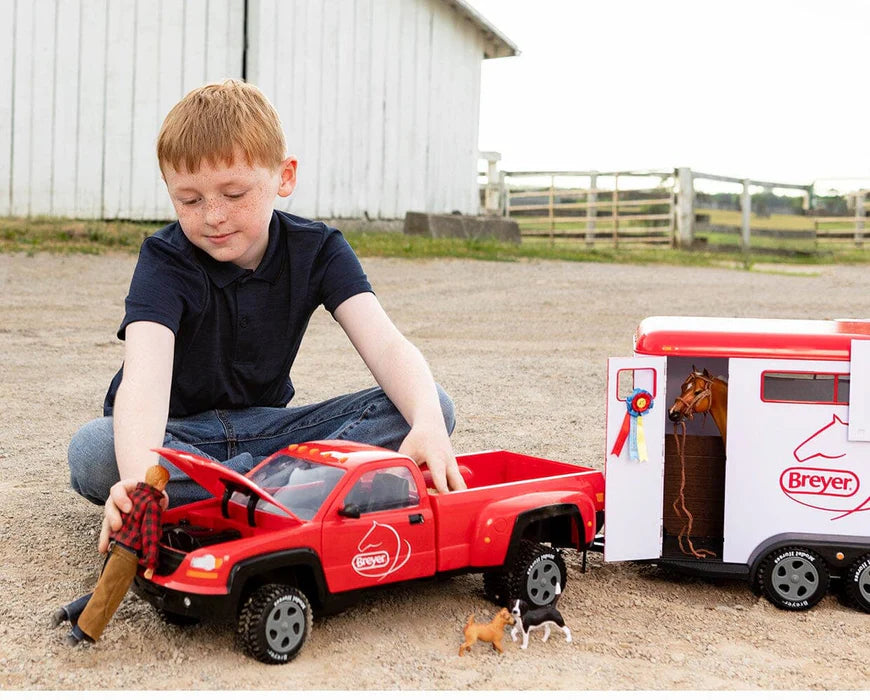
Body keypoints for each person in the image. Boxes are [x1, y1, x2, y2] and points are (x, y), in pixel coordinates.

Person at [67, 80, 465, 556]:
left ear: (284, 177)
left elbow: (386, 345)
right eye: (189, 200)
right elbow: (144, 382)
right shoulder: (163, 259)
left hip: (271, 428)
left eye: (234, 193)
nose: (213, 215)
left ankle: (247, 499)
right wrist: (138, 483)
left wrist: (424, 422)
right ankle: (295, 494)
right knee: (94, 451)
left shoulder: (319, 250)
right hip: (175, 437)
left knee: (432, 406)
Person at [53, 464, 170, 646]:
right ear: (161, 483)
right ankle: (77, 635)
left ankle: (68, 611)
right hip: (128, 554)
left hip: (116, 545)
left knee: (104, 588)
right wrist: (151, 564)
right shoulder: (152, 505)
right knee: (109, 595)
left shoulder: (135, 494)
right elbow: (150, 536)